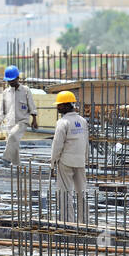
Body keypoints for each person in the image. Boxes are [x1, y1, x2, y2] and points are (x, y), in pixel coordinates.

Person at [50, 90, 89, 223]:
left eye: (59, 105)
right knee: (81, 192)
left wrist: (53, 163)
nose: (57, 107)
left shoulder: (63, 122)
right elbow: (86, 142)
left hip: (65, 162)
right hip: (80, 161)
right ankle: (84, 222)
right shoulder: (82, 121)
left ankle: (68, 221)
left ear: (66, 105)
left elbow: (57, 145)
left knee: (65, 193)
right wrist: (85, 159)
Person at [0, 66, 36, 166]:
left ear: (18, 78)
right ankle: (16, 166)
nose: (11, 83)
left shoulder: (25, 90)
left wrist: (34, 119)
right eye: (9, 81)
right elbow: (2, 109)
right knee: (14, 144)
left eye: (12, 80)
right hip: (10, 122)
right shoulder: (6, 92)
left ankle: (5, 159)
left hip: (22, 121)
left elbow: (31, 104)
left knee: (13, 136)